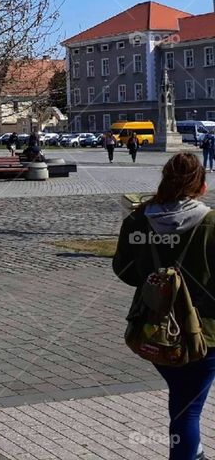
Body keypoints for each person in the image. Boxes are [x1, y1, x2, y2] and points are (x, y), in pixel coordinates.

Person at [114, 153, 215, 460]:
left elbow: (123, 269)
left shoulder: (138, 219)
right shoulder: (211, 222)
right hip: (205, 334)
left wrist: (155, 282)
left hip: (153, 327)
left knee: (182, 401)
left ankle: (192, 453)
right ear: (201, 185)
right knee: (187, 411)